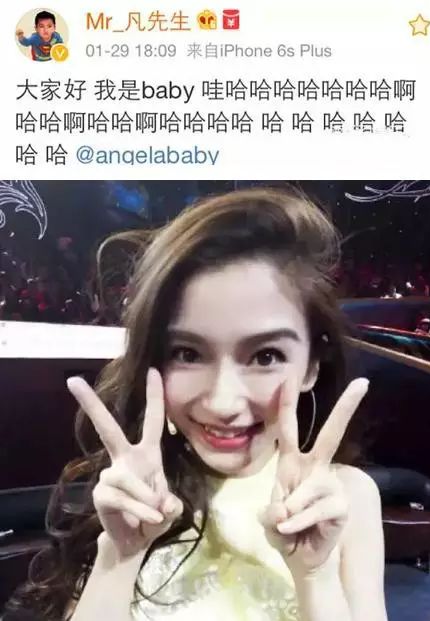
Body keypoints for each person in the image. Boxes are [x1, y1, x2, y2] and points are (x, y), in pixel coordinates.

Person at [4, 189, 387, 621]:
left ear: (313, 365)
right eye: (187, 353)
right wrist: (119, 556)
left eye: (265, 357)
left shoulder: (348, 497)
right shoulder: (135, 485)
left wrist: (315, 575)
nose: (223, 402)